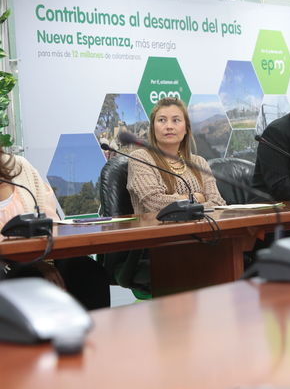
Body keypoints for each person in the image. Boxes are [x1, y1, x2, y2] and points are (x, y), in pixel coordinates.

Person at [1, 151, 110, 310]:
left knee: (86, 269)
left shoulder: (19, 166)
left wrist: (44, 261)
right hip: (7, 261)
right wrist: (35, 265)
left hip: (42, 253)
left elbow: (49, 219)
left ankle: (95, 333)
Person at [127, 97, 226, 214]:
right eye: (162, 120)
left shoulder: (199, 162)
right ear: (153, 128)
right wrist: (195, 198)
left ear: (186, 129)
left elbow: (218, 203)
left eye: (176, 120)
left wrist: (180, 202)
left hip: (202, 229)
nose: (169, 126)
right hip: (160, 231)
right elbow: (155, 203)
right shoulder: (140, 159)